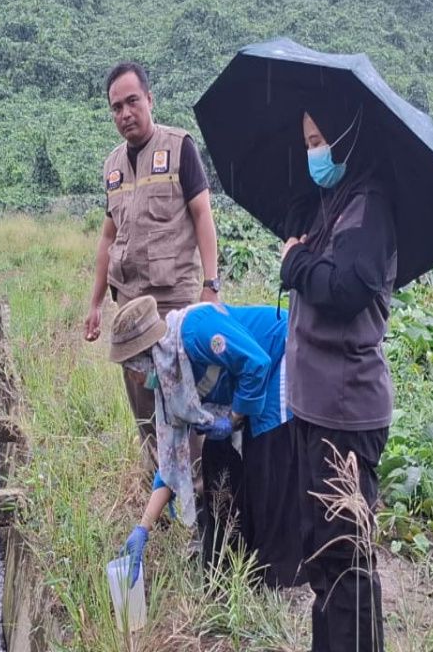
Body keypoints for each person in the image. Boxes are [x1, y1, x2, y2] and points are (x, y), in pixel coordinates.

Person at [281, 100, 397, 652]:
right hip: (315, 409)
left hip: (346, 414)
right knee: (324, 559)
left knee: (347, 563)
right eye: (307, 144)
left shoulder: (370, 207)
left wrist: (296, 265)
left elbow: (348, 288)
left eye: (319, 140)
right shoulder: (334, 203)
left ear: (349, 138)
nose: (314, 153)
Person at [110, 296, 305, 589]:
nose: (132, 378)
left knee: (267, 455)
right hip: (250, 377)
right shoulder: (171, 382)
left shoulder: (195, 333)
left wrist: (236, 416)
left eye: (131, 368)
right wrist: (143, 528)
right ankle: (236, 563)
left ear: (147, 355)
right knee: (218, 461)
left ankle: (277, 573)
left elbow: (257, 362)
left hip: (283, 353)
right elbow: (173, 461)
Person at [84, 61, 221, 465]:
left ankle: (196, 490)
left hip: (173, 302)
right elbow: (108, 237)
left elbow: (202, 216)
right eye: (116, 107)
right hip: (129, 305)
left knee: (182, 394)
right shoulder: (111, 166)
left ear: (149, 99)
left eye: (132, 102)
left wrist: (210, 286)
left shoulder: (179, 147)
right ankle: (158, 483)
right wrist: (93, 304)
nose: (125, 113)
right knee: (141, 398)